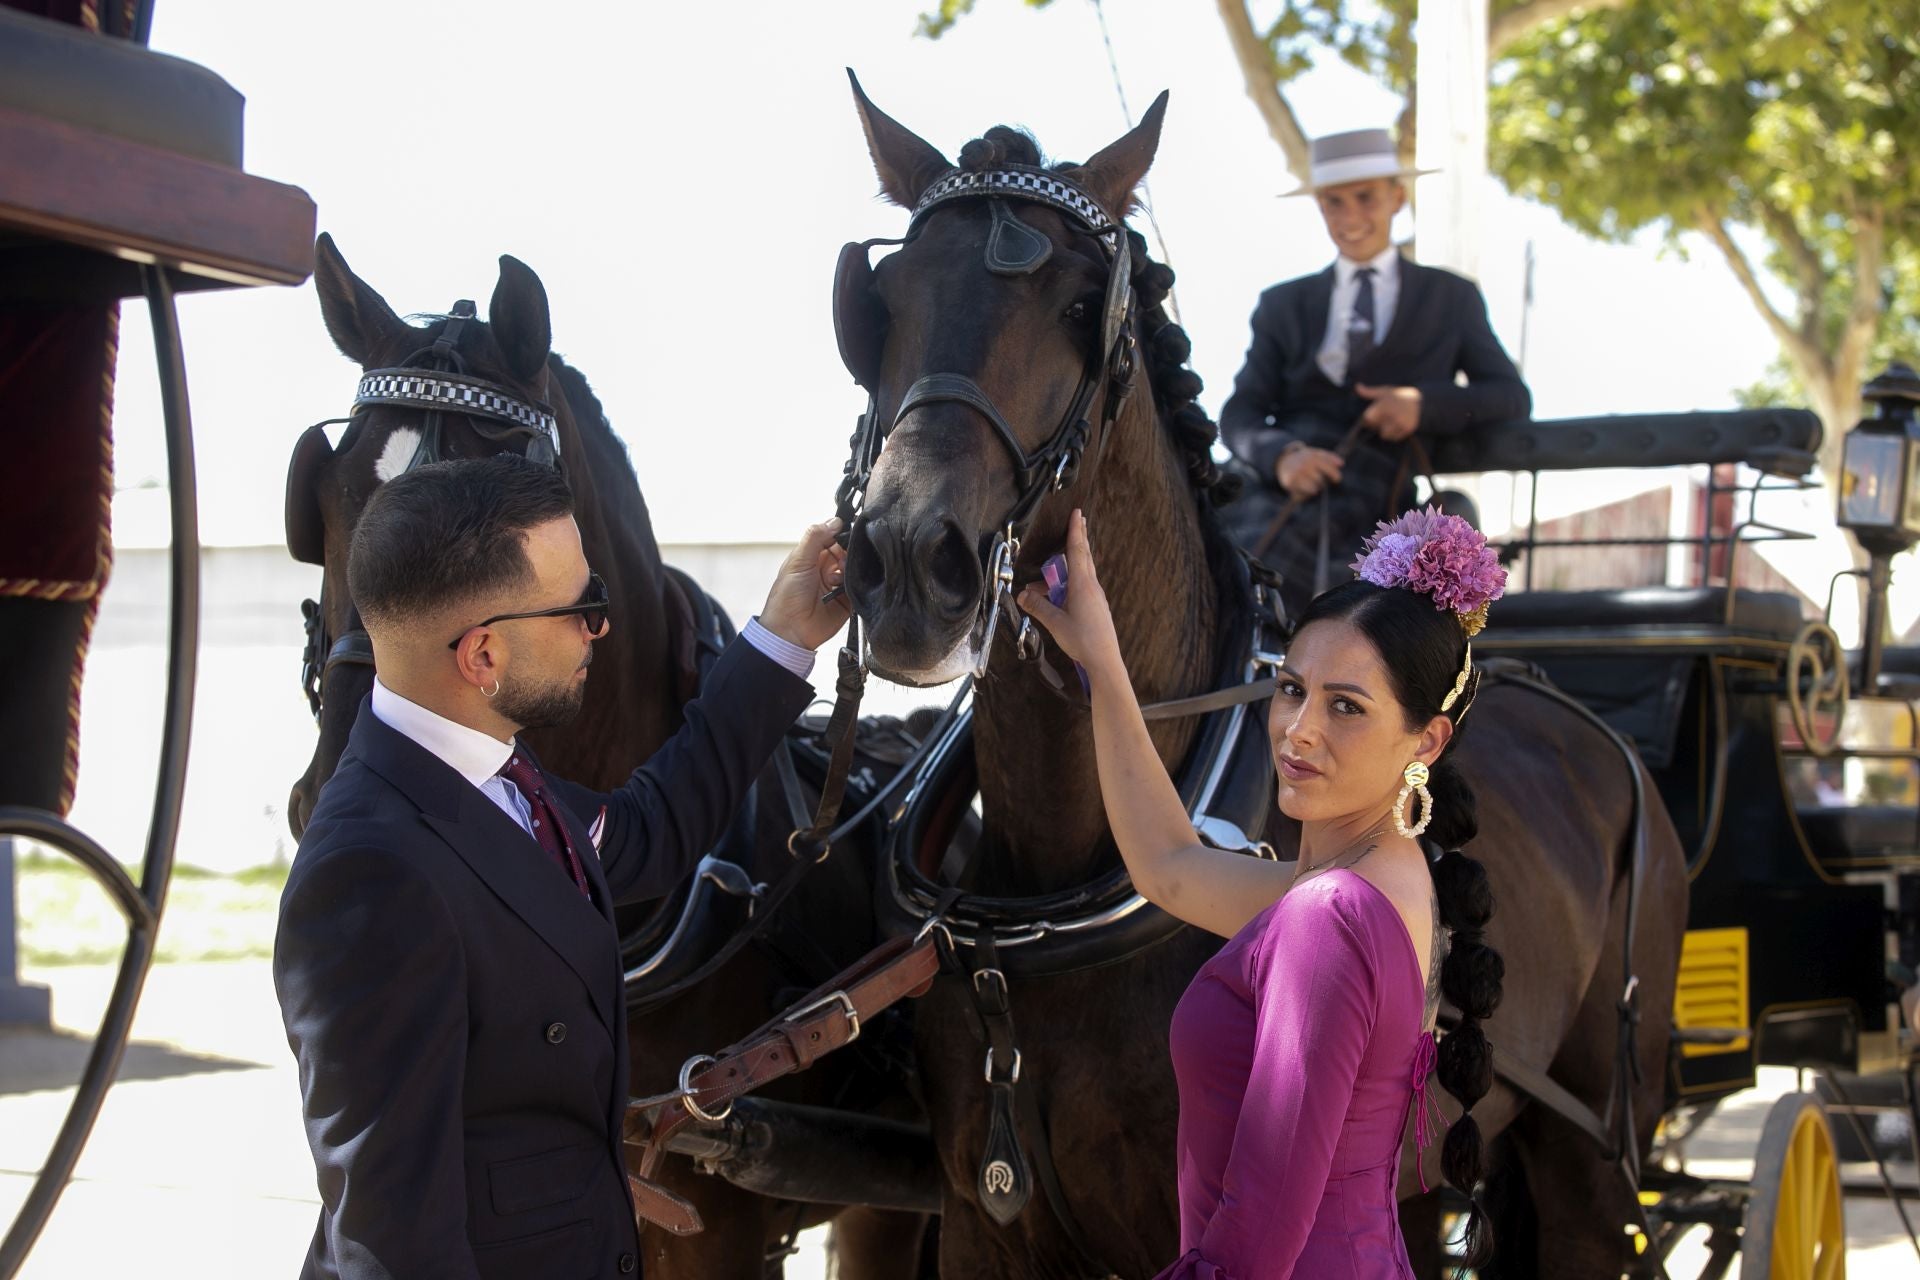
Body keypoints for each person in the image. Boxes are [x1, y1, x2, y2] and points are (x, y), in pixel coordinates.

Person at [272, 454, 848, 1279]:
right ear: (482, 656)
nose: (600, 628)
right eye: (581, 607)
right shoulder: (370, 876)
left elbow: (650, 828)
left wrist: (781, 639)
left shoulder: (489, 775)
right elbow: (394, 1240)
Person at [1020, 506, 1508, 1279]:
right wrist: (1105, 665)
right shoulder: (1381, 879)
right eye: (1291, 689)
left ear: (1426, 740)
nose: (1298, 731)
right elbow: (1170, 866)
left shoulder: (1329, 917)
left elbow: (1255, 1244)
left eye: (1346, 706)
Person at [1218, 128, 1531, 618]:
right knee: (1215, 562)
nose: (1350, 217)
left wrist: (1421, 405)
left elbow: (1510, 396)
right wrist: (1282, 456)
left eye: (1365, 198)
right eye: (1333, 203)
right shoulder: (1283, 303)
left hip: (1378, 497)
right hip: (1274, 491)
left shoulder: (1451, 298)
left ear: (1397, 198)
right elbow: (1240, 410)